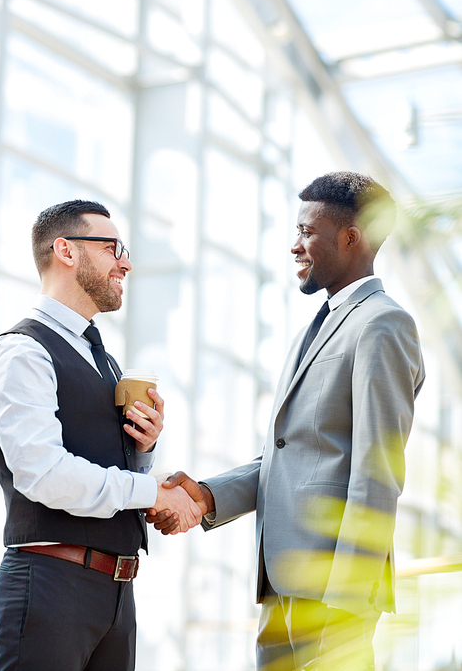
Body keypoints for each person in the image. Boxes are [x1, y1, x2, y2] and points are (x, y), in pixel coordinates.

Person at [147, 172, 425, 670]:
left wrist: (346, 599)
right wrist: (209, 495)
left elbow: (376, 472)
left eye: (306, 231)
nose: (294, 246)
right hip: (281, 587)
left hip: (333, 595)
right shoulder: (309, 334)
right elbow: (290, 455)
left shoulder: (382, 324)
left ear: (350, 237)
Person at [0, 200, 202, 671]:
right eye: (113, 247)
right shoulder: (22, 352)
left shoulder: (103, 358)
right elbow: (44, 475)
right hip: (52, 588)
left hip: (115, 592)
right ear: (66, 251)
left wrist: (143, 448)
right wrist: (151, 491)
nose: (127, 261)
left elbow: (99, 463)